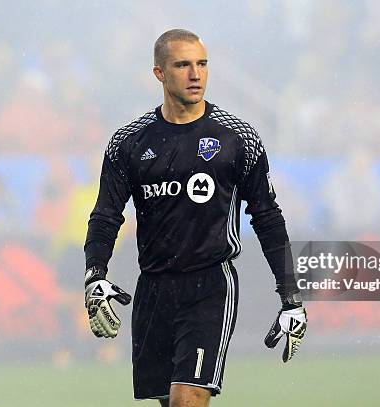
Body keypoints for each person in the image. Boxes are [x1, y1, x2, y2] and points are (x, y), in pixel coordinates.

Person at [83, 29, 307, 407]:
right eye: (182, 65)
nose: (195, 74)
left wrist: (291, 296)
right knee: (171, 402)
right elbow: (105, 215)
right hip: (153, 288)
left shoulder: (238, 138)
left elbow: (267, 217)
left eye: (201, 64)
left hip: (209, 284)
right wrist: (94, 276)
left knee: (188, 398)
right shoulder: (129, 142)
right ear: (159, 73)